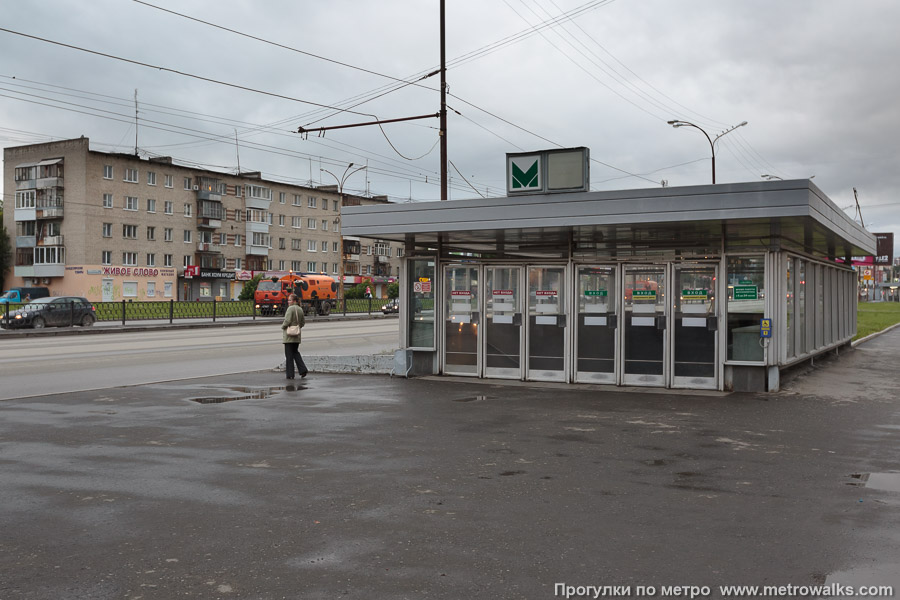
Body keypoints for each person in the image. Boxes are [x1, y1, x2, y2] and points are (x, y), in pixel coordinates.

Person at [281, 293, 308, 379]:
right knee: (295, 353)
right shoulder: (300, 309)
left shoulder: (290, 309)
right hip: (297, 335)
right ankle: (303, 370)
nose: (288, 302)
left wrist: (283, 327)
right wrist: (297, 326)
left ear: (294, 301)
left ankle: (290, 375)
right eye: (288, 300)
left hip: (289, 336)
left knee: (289, 356)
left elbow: (287, 321)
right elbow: (303, 322)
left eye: (290, 300)